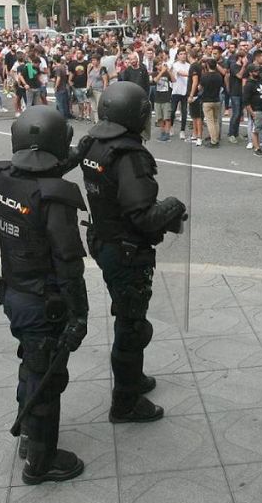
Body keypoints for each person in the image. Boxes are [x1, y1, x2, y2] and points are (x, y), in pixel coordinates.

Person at [77, 81, 186, 423]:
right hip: (126, 251)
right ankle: (125, 402)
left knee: (129, 318)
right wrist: (173, 206)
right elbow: (142, 216)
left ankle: (133, 378)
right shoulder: (129, 156)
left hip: (105, 241)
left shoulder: (94, 142)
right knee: (131, 325)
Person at [0, 106, 91, 483]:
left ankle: (30, 431)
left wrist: (75, 156)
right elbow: (69, 263)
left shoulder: (3, 179)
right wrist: (80, 315)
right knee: (48, 377)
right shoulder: (57, 198)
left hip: (15, 293)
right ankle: (41, 460)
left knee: (31, 365)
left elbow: (34, 175)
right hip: (45, 302)